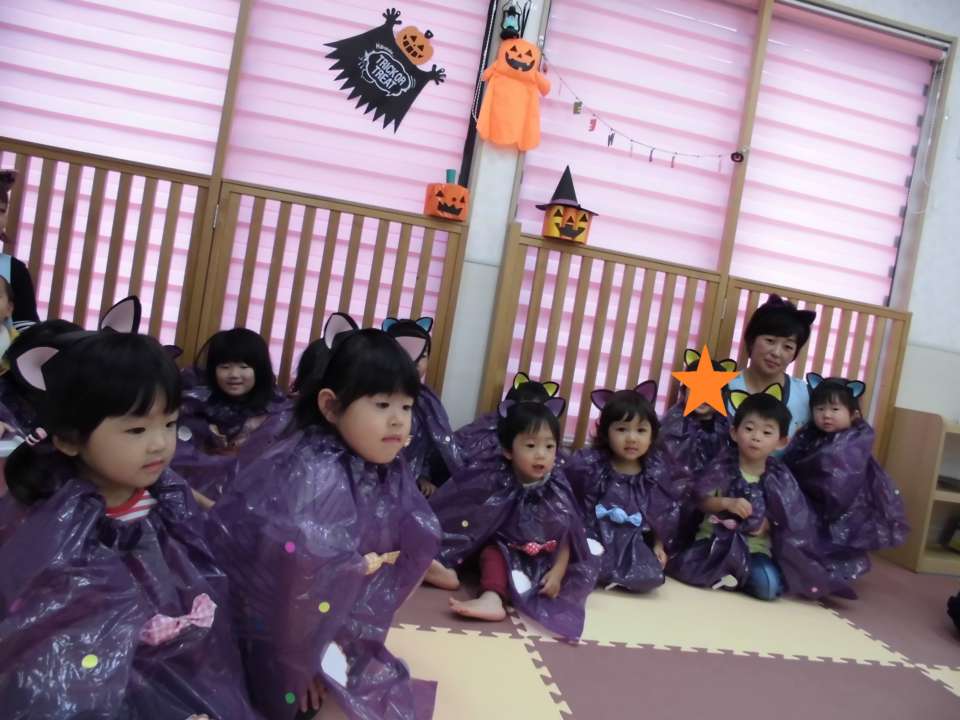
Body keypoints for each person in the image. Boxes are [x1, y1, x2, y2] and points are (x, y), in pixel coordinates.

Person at [0, 297, 258, 718]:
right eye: (137, 429)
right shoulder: (56, 524)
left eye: (170, 423)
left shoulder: (164, 495)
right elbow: (56, 653)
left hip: (178, 671)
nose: (160, 444)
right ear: (68, 438)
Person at [207, 313, 440, 719]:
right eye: (382, 405)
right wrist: (299, 666)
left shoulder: (376, 459)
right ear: (331, 406)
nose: (398, 420)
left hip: (318, 613)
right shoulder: (316, 473)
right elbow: (292, 587)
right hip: (268, 628)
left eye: (406, 406)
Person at [427, 398, 600, 639]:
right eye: (531, 445)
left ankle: (492, 598)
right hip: (494, 543)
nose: (541, 454)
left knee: (495, 555)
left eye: (549, 446)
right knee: (473, 537)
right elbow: (464, 513)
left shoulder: (557, 488)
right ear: (508, 450)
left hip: (535, 556)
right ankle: (444, 568)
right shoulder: (494, 476)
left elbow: (567, 536)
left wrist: (558, 573)